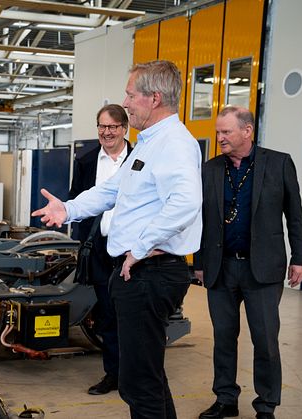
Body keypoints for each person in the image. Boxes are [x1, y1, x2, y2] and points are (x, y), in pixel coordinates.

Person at [32, 60, 202, 418]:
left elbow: (186, 202)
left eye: (130, 94)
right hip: (139, 271)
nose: (125, 102)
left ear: (154, 98)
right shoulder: (149, 143)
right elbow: (111, 189)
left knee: (138, 382)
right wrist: (68, 209)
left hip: (149, 272)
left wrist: (139, 248)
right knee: (146, 376)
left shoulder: (174, 143)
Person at [194, 107, 302, 419]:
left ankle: (266, 405)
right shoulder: (211, 169)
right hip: (221, 267)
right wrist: (200, 262)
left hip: (263, 269)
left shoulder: (278, 162)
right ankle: (226, 400)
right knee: (223, 339)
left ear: (247, 131)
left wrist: (300, 258)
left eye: (226, 132)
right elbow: (202, 220)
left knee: (265, 340)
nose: (219, 138)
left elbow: (295, 215)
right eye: (218, 132)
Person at [68, 104, 132, 395]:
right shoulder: (86, 161)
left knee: (134, 315)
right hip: (100, 249)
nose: (107, 132)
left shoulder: (140, 158)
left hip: (135, 250)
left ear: (124, 128)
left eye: (113, 127)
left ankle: (136, 375)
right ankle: (113, 375)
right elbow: (77, 201)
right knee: (107, 316)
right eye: (102, 127)